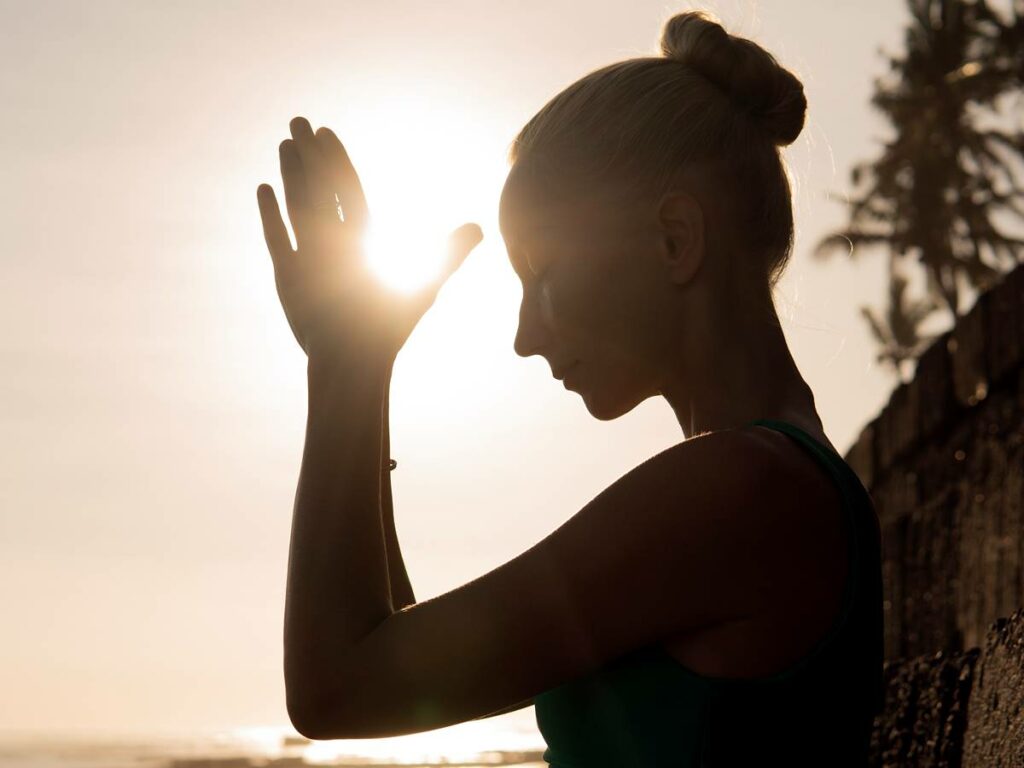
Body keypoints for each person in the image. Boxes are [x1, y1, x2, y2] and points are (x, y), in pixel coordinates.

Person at [256, 9, 884, 767]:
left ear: (675, 239)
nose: (526, 335)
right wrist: (366, 375)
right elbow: (404, 651)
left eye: (543, 274)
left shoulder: (741, 489)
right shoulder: (770, 482)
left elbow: (338, 687)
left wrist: (343, 367)